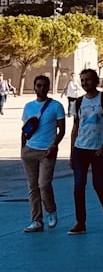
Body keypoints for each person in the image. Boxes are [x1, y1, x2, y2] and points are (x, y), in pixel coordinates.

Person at [68, 68, 103, 235]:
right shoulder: (78, 102)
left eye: (87, 80)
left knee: (99, 185)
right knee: (78, 186)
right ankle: (80, 222)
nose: (84, 83)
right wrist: (71, 152)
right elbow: (75, 128)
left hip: (98, 150)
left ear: (96, 81)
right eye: (82, 80)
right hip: (80, 149)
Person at [20, 74, 66, 232]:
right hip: (29, 151)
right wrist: (23, 149)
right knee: (33, 187)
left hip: (47, 151)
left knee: (44, 184)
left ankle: (51, 210)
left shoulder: (56, 106)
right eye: (38, 85)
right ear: (34, 87)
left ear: (48, 87)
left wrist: (54, 145)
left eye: (44, 85)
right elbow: (25, 129)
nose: (41, 88)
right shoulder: (28, 106)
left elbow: (62, 129)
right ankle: (36, 220)